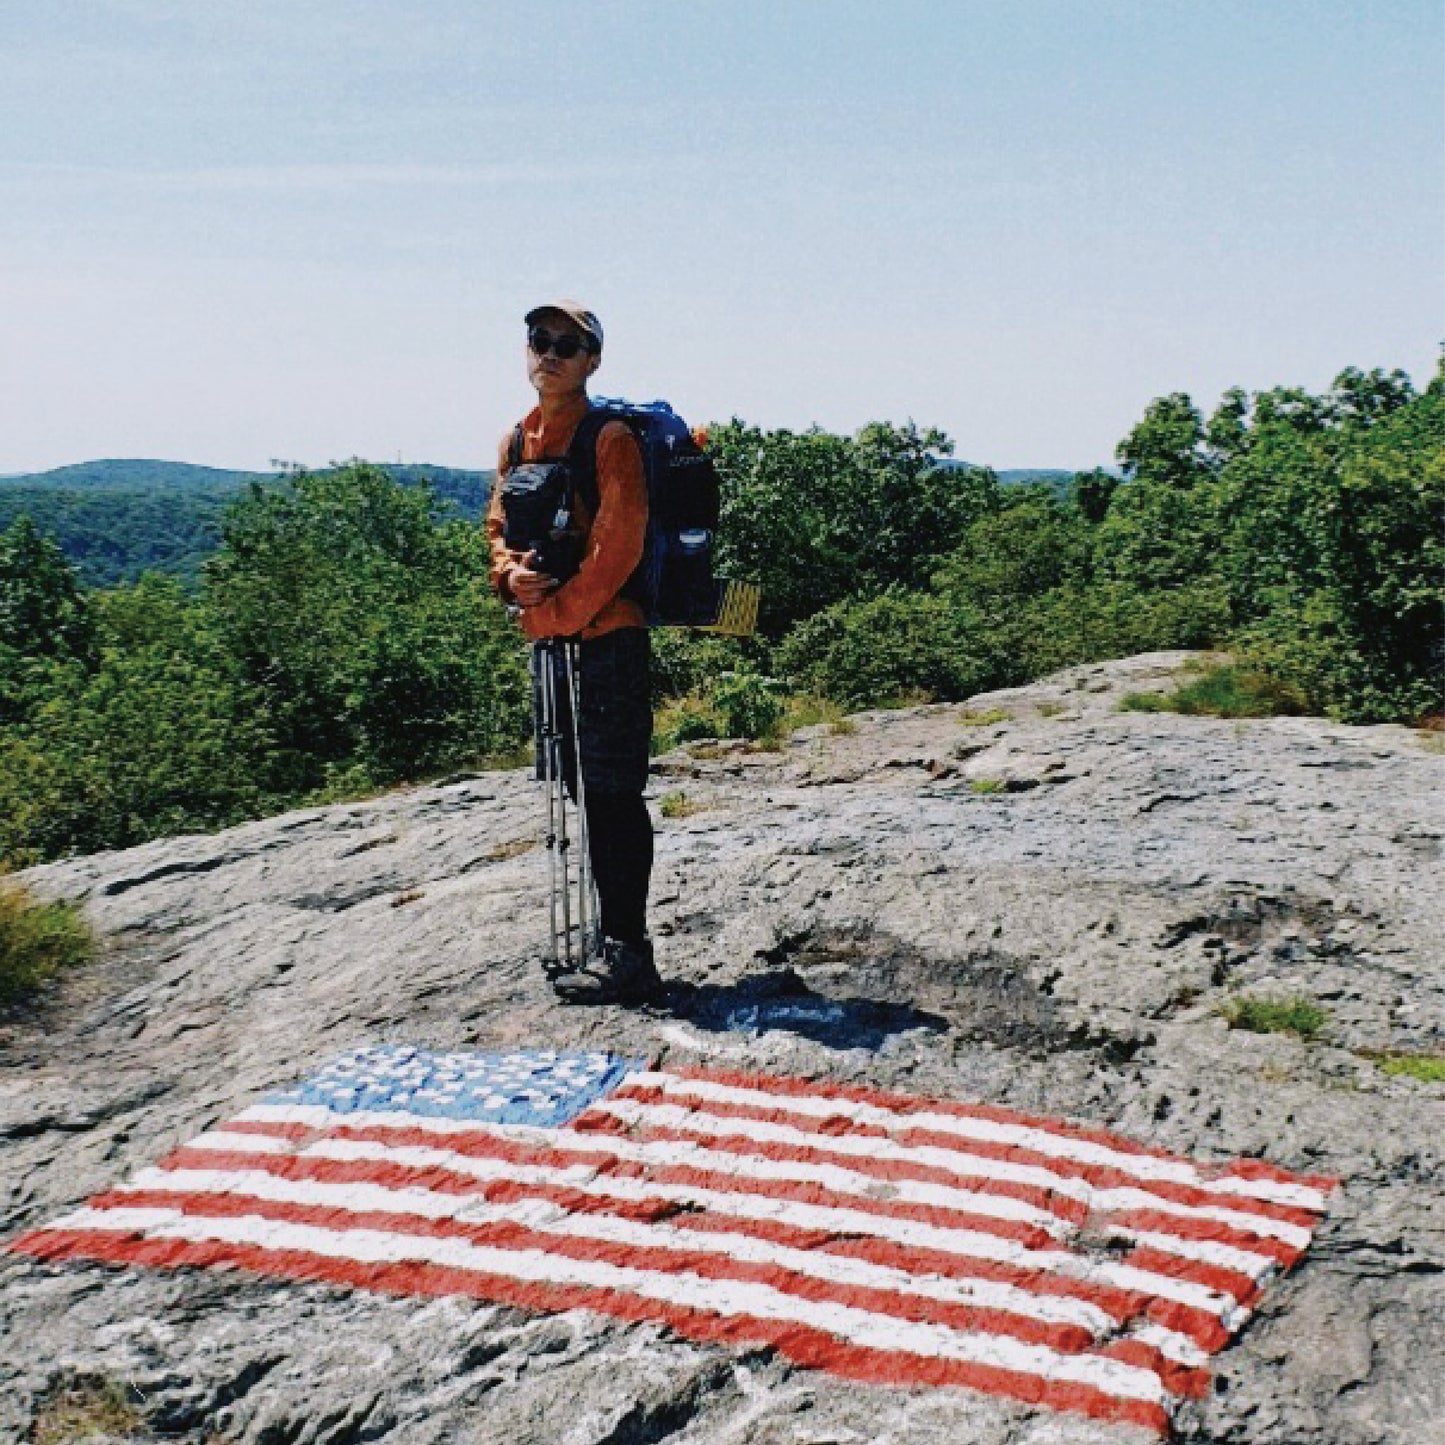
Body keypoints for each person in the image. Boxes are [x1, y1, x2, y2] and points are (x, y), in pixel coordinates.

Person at [486, 301, 664, 1005]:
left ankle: (629, 950)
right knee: (577, 790)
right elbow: (497, 525)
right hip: (553, 639)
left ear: (592, 361)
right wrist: (510, 578)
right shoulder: (516, 441)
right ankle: (607, 938)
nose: (550, 353)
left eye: (569, 344)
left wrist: (550, 610)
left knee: (612, 795)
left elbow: (617, 547)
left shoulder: (609, 437)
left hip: (607, 640)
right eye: (540, 340)